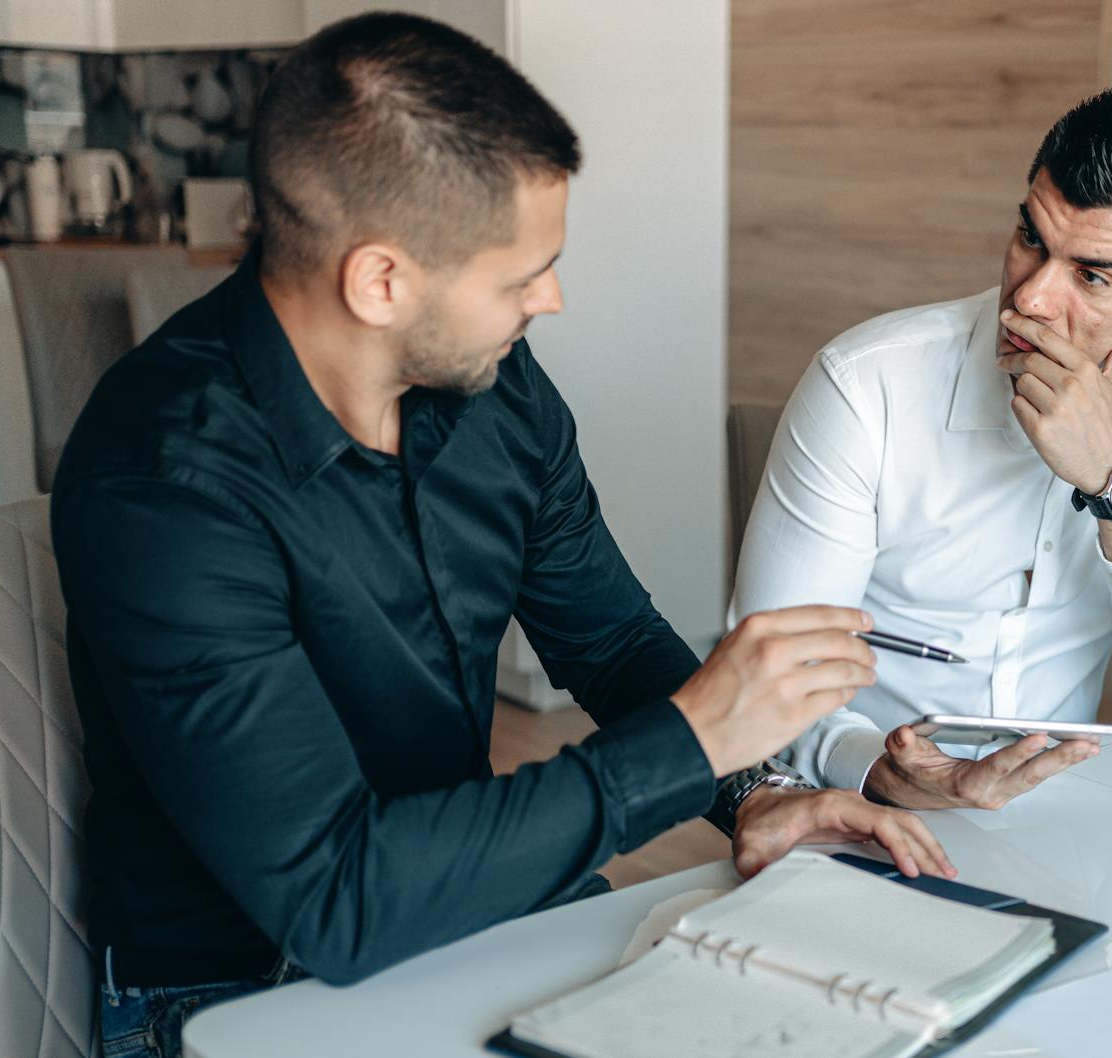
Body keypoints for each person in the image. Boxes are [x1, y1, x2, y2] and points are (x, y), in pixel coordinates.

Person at [52, 14, 949, 1057]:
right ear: (379, 280)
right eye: (520, 274)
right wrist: (696, 734)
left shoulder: (498, 393)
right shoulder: (163, 478)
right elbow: (334, 895)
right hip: (236, 984)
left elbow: (608, 642)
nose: (551, 298)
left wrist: (755, 790)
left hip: (467, 908)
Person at [731, 84, 1112, 810]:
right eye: (1031, 239)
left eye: (1090, 275)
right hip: (850, 805)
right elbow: (767, 679)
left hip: (1059, 818)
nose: (1029, 299)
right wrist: (879, 768)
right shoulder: (867, 383)